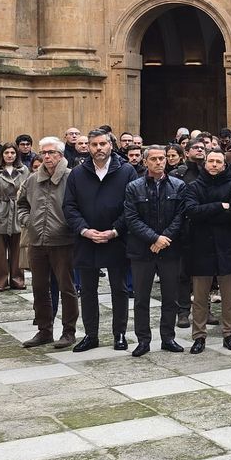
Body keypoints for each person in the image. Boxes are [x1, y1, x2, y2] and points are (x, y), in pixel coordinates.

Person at [63, 129, 136, 352]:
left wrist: (115, 231)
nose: (98, 148)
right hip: (87, 240)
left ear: (111, 145)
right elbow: (69, 206)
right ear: (88, 147)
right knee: (87, 290)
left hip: (116, 239)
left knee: (119, 289)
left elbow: (131, 206)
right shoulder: (77, 173)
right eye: (94, 145)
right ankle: (91, 335)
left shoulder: (127, 171)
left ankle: (120, 334)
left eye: (102, 144)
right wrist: (84, 230)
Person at [121, 145, 187, 356]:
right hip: (142, 250)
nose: (159, 162)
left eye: (162, 158)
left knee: (170, 298)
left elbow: (181, 216)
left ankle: (168, 338)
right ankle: (143, 340)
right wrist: (154, 238)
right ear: (145, 162)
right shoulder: (134, 187)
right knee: (141, 298)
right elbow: (131, 218)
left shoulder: (178, 185)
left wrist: (163, 239)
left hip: (169, 249)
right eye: (154, 159)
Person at [17, 137, 77, 349]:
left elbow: (80, 207)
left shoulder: (72, 177)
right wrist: (28, 221)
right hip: (37, 241)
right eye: (44, 153)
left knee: (66, 288)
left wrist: (70, 225)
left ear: (61, 155)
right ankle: (44, 331)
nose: (47, 156)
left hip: (63, 241)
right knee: (39, 287)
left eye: (51, 152)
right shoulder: (33, 179)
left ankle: (69, 332)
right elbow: (21, 204)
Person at [182, 150, 231, 352]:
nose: (215, 165)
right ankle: (199, 337)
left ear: (224, 165)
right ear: (205, 163)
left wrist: (208, 212)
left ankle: (229, 334)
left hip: (228, 247)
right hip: (201, 247)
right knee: (200, 298)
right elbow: (192, 212)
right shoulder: (194, 186)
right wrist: (220, 206)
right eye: (211, 161)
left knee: (229, 297)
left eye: (219, 161)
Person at [0, 143, 28, 291]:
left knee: (18, 248)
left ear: (16, 155)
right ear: (1, 155)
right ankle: (0, 281)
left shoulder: (23, 170)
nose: (9, 155)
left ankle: (17, 279)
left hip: (17, 210)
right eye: (6, 153)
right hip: (0, 210)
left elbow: (29, 189)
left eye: (12, 153)